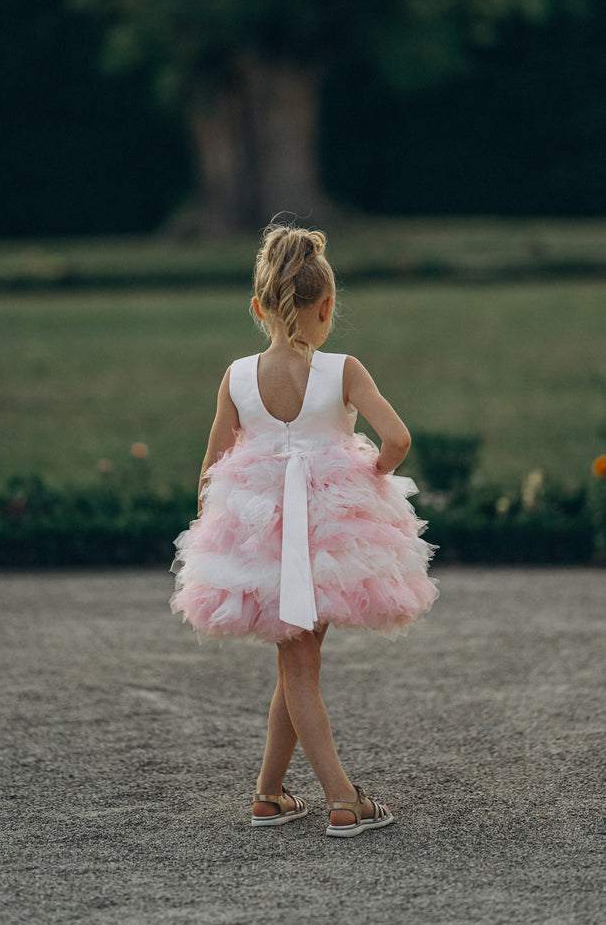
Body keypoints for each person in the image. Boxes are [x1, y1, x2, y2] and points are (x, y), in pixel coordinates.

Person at [170, 222, 439, 838]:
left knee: (298, 660)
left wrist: (233, 521)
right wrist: (369, 475)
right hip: (331, 536)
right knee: (300, 662)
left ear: (259, 306)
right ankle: (343, 800)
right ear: (328, 306)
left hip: (263, 536)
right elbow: (396, 439)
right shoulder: (343, 369)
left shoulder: (237, 377)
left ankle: (268, 793)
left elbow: (211, 469)